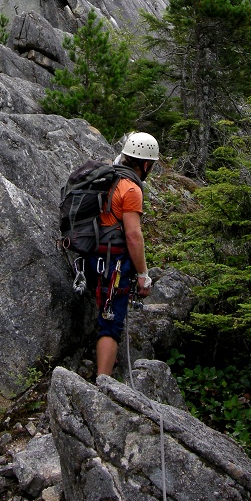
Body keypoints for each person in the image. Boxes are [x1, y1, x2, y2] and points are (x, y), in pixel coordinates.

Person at [85, 131, 159, 377]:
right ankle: (102, 383)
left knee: (104, 313)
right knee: (111, 321)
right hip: (113, 262)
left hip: (90, 255)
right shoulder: (130, 189)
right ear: (146, 164)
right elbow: (133, 236)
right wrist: (143, 274)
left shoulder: (108, 177)